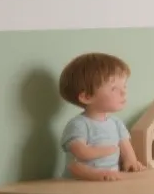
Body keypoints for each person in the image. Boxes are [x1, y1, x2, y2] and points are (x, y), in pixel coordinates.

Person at [58, 52, 146, 181]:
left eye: (124, 86)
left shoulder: (116, 123)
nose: (123, 92)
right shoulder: (78, 125)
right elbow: (81, 153)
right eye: (114, 88)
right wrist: (108, 151)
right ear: (87, 96)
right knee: (75, 166)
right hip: (80, 182)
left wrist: (131, 162)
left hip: (110, 179)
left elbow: (125, 146)